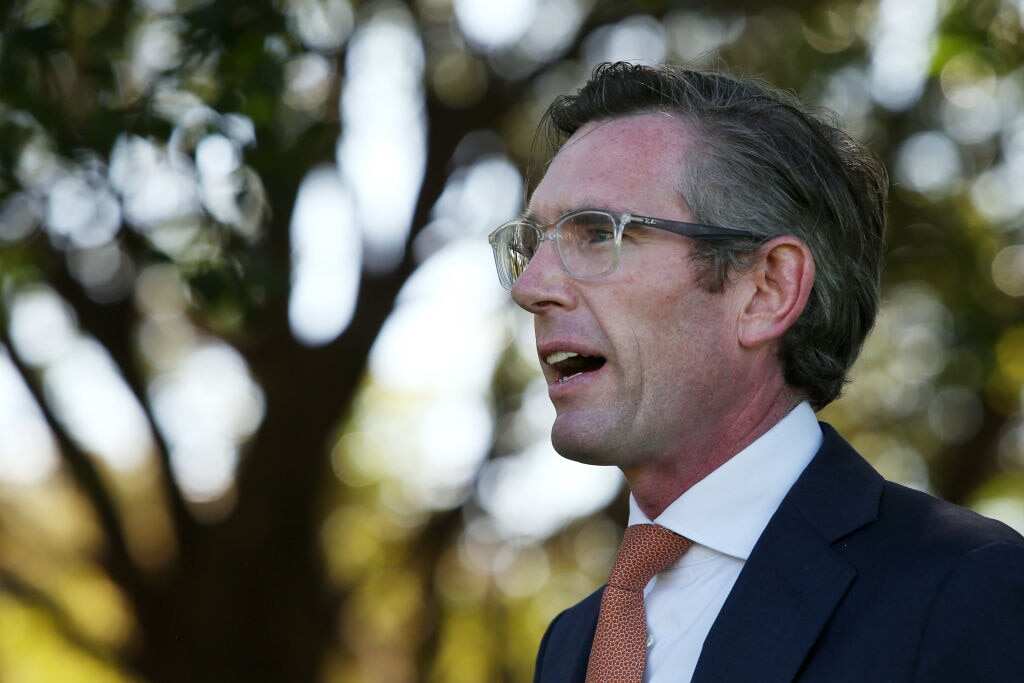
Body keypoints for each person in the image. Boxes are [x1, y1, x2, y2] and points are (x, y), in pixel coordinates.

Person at [486, 62, 1024, 683]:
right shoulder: (571, 644)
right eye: (532, 244)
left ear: (767, 289)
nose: (531, 287)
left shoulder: (967, 590)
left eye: (597, 234)